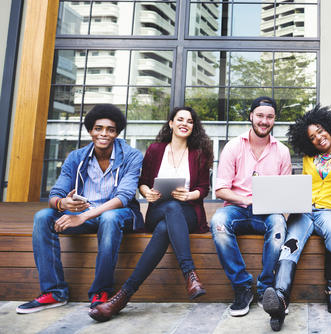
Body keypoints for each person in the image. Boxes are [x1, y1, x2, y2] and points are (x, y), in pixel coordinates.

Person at [89, 106, 213, 321]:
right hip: (158, 209)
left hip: (188, 213)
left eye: (190, 121)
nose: (185, 123)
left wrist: (190, 195)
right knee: (169, 211)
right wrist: (147, 192)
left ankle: (122, 296)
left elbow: (204, 188)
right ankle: (189, 274)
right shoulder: (156, 150)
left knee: (170, 220)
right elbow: (142, 182)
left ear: (194, 127)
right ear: (171, 123)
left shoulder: (199, 153)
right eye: (180, 119)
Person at [16, 104, 144, 314]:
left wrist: (82, 216)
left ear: (117, 132)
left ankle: (101, 292)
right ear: (90, 130)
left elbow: (124, 197)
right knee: (43, 217)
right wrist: (62, 204)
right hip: (83, 213)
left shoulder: (132, 156)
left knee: (109, 218)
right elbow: (55, 193)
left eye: (110, 129)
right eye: (98, 128)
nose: (104, 134)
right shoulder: (76, 157)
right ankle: (54, 292)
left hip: (120, 214)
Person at [263, 104, 331, 331]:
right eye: (312, 137)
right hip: (304, 211)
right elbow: (301, 187)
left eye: (321, 131)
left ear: (330, 128)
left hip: (328, 212)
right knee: (289, 246)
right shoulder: (309, 158)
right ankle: (280, 297)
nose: (318, 138)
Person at [210, 96, 291, 317]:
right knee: (218, 221)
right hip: (237, 208)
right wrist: (246, 200)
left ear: (274, 120)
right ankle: (242, 287)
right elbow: (220, 190)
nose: (264, 121)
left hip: (267, 212)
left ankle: (266, 288)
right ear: (251, 116)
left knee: (278, 224)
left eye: (270, 117)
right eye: (260, 116)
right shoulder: (233, 147)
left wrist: (283, 214)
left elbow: (285, 193)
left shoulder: (282, 151)